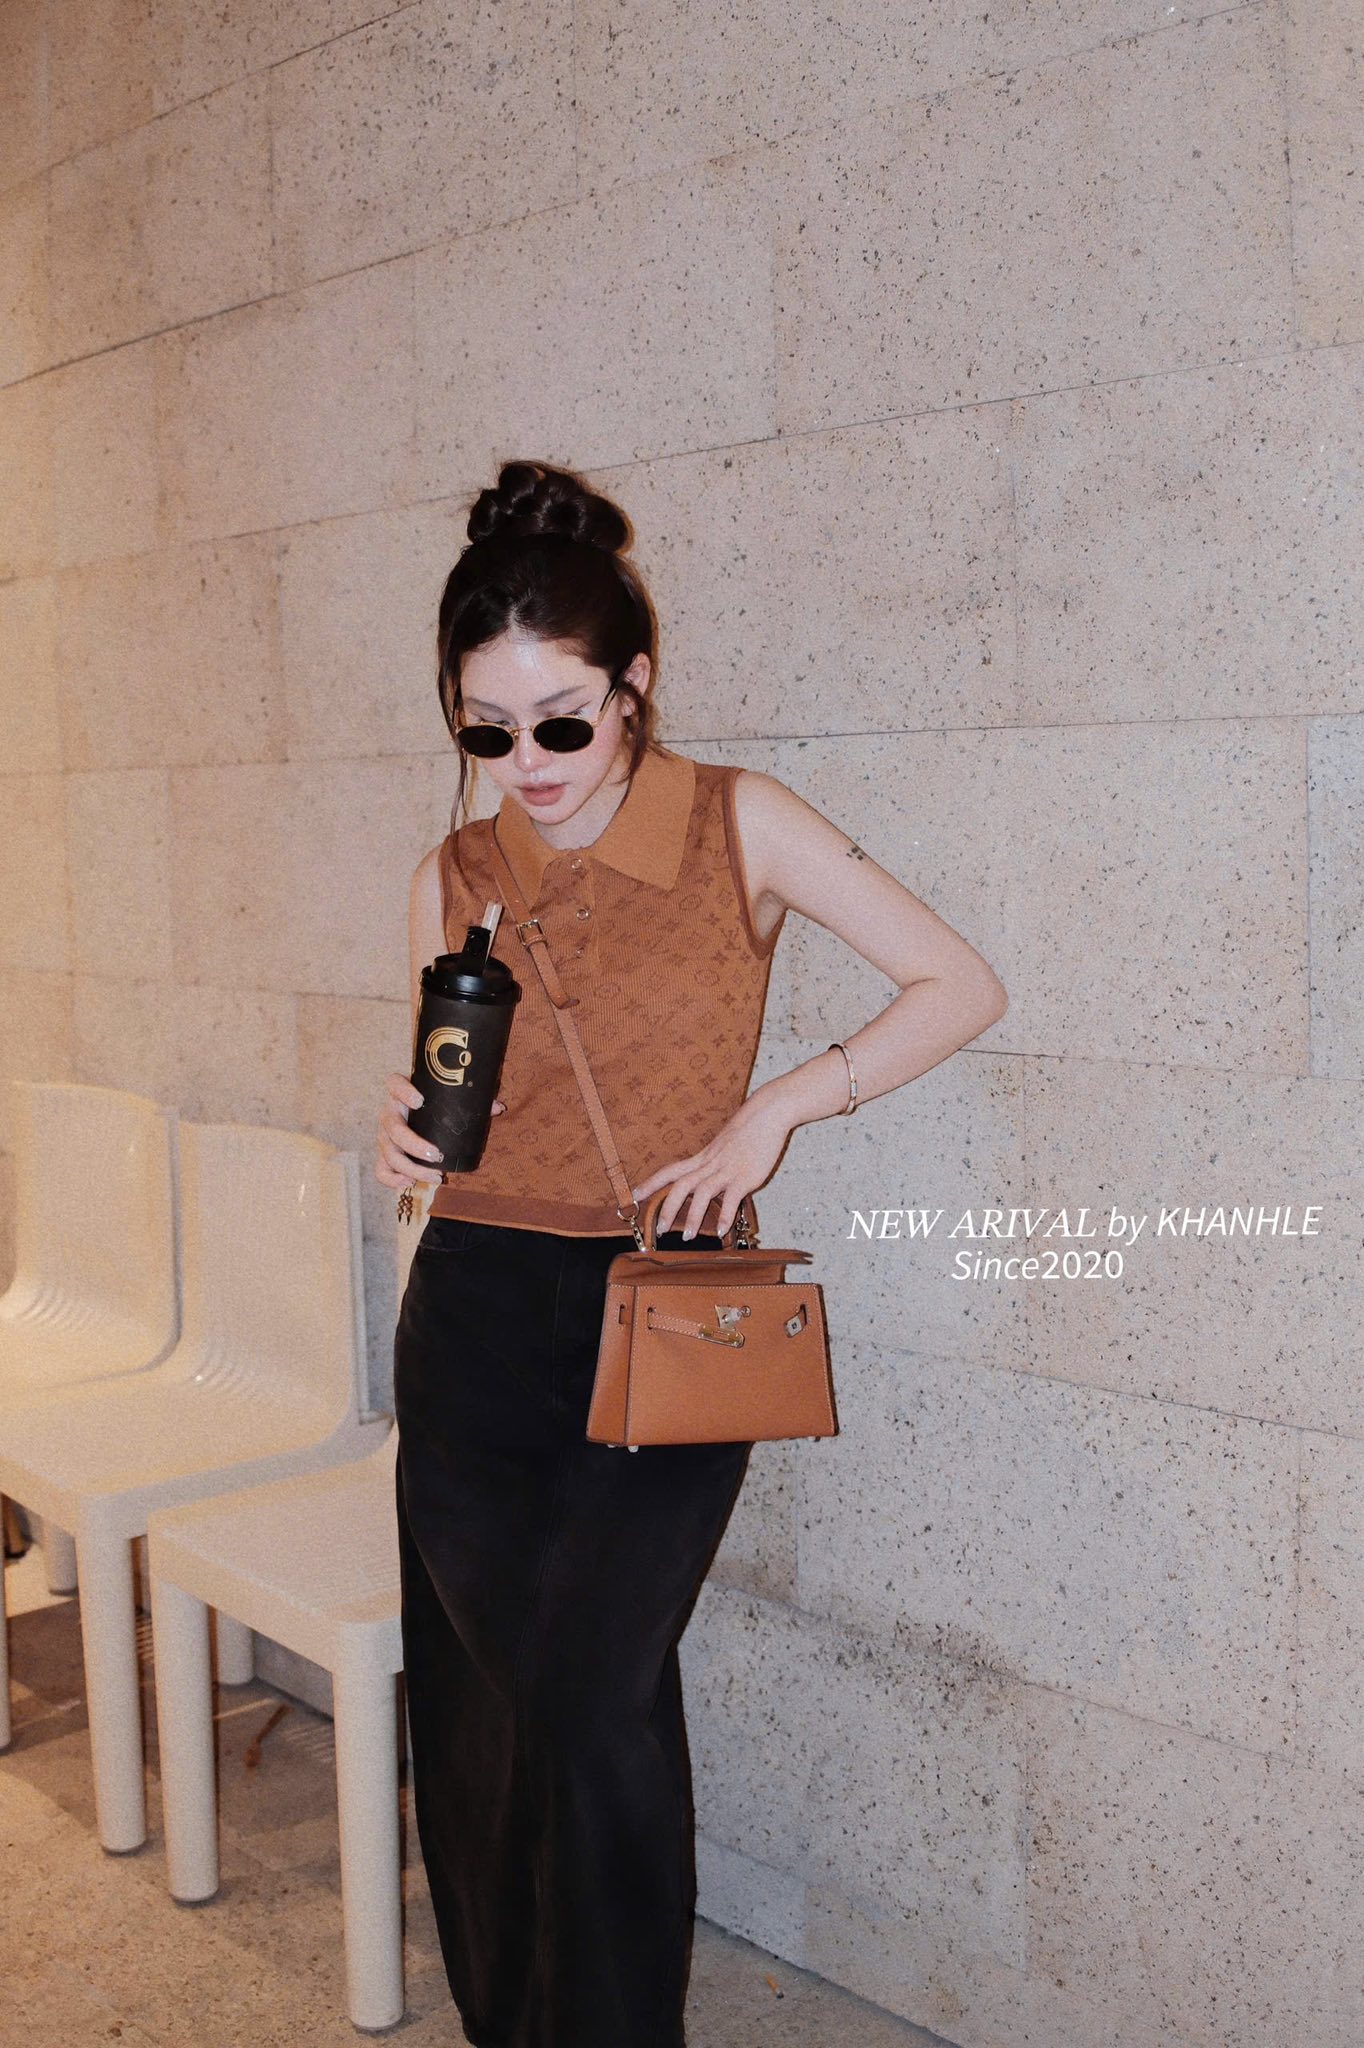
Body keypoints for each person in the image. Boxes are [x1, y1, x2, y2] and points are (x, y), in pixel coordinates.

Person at [375, 459, 1008, 2048]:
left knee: (589, 1703)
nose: (526, 764)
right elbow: (449, 1105)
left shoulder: (741, 822)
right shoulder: (454, 876)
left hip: (662, 1313)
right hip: (473, 1319)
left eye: (562, 722)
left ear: (634, 684)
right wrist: (398, 1138)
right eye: (486, 731)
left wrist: (775, 1113)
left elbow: (957, 984)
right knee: (487, 1711)